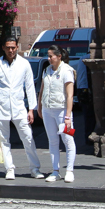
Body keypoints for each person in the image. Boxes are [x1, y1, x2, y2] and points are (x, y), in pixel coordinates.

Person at [0, 37, 43, 180]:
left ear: (17, 47)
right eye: (8, 47)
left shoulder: (24, 64)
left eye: (13, 47)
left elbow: (30, 87)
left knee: (28, 138)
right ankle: (9, 168)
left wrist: (31, 109)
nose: (11, 50)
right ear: (3, 48)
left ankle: (35, 168)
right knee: (4, 140)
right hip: (0, 107)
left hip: (19, 107)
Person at [37, 45, 76, 183]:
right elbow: (42, 89)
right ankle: (55, 171)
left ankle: (70, 170)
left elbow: (70, 95)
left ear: (59, 56)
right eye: (48, 56)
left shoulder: (67, 71)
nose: (48, 59)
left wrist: (68, 116)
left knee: (67, 140)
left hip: (62, 109)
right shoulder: (47, 70)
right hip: (48, 109)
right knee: (53, 140)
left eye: (51, 56)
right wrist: (40, 105)